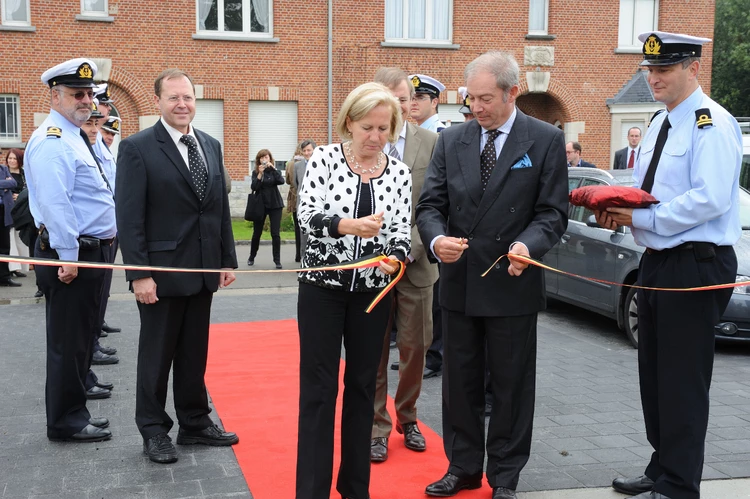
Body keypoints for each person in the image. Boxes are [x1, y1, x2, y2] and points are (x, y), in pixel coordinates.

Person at [596, 31, 742, 499]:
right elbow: (648, 189)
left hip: (696, 263)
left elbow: (711, 198)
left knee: (681, 378)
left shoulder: (711, 123)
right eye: (650, 70)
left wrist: (642, 217)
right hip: (658, 261)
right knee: (655, 375)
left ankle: (681, 483)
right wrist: (617, 208)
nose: (653, 78)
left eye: (664, 69)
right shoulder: (660, 122)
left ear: (692, 69)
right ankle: (662, 465)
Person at [417, 51, 568, 499]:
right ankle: (462, 466)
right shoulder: (452, 141)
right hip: (460, 282)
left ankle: (505, 476)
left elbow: (552, 212)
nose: (476, 108)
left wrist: (528, 245)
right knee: (459, 384)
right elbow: (430, 207)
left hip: (512, 282)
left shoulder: (543, 140)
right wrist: (435, 240)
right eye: (470, 99)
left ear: (512, 92)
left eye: (486, 99)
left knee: (510, 385)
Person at [115, 68, 239, 464]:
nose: (182, 104)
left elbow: (217, 209)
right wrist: (139, 274)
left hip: (202, 271)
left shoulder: (210, 144)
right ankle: (153, 430)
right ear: (158, 102)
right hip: (161, 275)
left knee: (193, 354)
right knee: (156, 357)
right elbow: (129, 217)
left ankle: (195, 423)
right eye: (173, 98)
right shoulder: (137, 148)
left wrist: (225, 260)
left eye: (187, 97)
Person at [295, 81, 411, 499]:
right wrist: (347, 226)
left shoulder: (398, 172)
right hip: (322, 290)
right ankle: (311, 490)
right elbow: (306, 215)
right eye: (367, 127)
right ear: (349, 122)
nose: (375, 137)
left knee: (364, 387)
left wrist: (394, 258)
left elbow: (400, 231)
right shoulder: (323, 159)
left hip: (372, 294)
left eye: (384, 128)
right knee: (319, 390)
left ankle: (355, 488)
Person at [25, 58, 115, 442]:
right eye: (77, 94)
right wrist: (69, 256)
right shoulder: (53, 141)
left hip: (87, 252)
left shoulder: (74, 134)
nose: (86, 100)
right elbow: (55, 203)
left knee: (80, 339)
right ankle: (65, 421)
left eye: (89, 93)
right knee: (68, 342)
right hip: (73, 255)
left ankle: (76, 409)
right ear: (55, 95)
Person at [370, 67, 438, 463]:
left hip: (415, 265)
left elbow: (435, 204)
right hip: (370, 267)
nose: (400, 104)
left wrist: (405, 248)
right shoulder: (361, 140)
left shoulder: (430, 143)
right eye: (391, 97)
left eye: (404, 98)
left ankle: (408, 417)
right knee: (373, 350)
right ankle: (376, 426)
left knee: (415, 348)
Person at [247, 148, 284, 269]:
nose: (264, 160)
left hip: (275, 204)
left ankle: (277, 260)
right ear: (258, 160)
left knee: (275, 233)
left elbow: (281, 181)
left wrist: (273, 168)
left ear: (270, 158)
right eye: (262, 158)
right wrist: (260, 174)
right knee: (257, 233)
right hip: (260, 205)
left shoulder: (274, 171)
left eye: (266, 157)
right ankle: (251, 257)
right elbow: (254, 187)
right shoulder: (256, 172)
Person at [290, 140, 316, 261]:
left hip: (318, 204)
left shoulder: (320, 164)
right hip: (303, 204)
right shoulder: (297, 166)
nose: (306, 153)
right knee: (303, 233)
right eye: (304, 151)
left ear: (314, 150)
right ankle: (304, 259)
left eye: (309, 150)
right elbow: (296, 184)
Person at [0, 157, 18, 287]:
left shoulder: (4, 168)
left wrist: (7, 184)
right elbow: (8, 183)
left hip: (3, 211)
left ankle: (4, 277)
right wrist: (4, 184)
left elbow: (13, 184)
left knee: (4, 246)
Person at [285, 143, 305, 262]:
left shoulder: (290, 164)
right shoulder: (306, 163)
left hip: (294, 195)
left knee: (297, 227)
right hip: (301, 194)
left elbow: (288, 180)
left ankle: (298, 254)